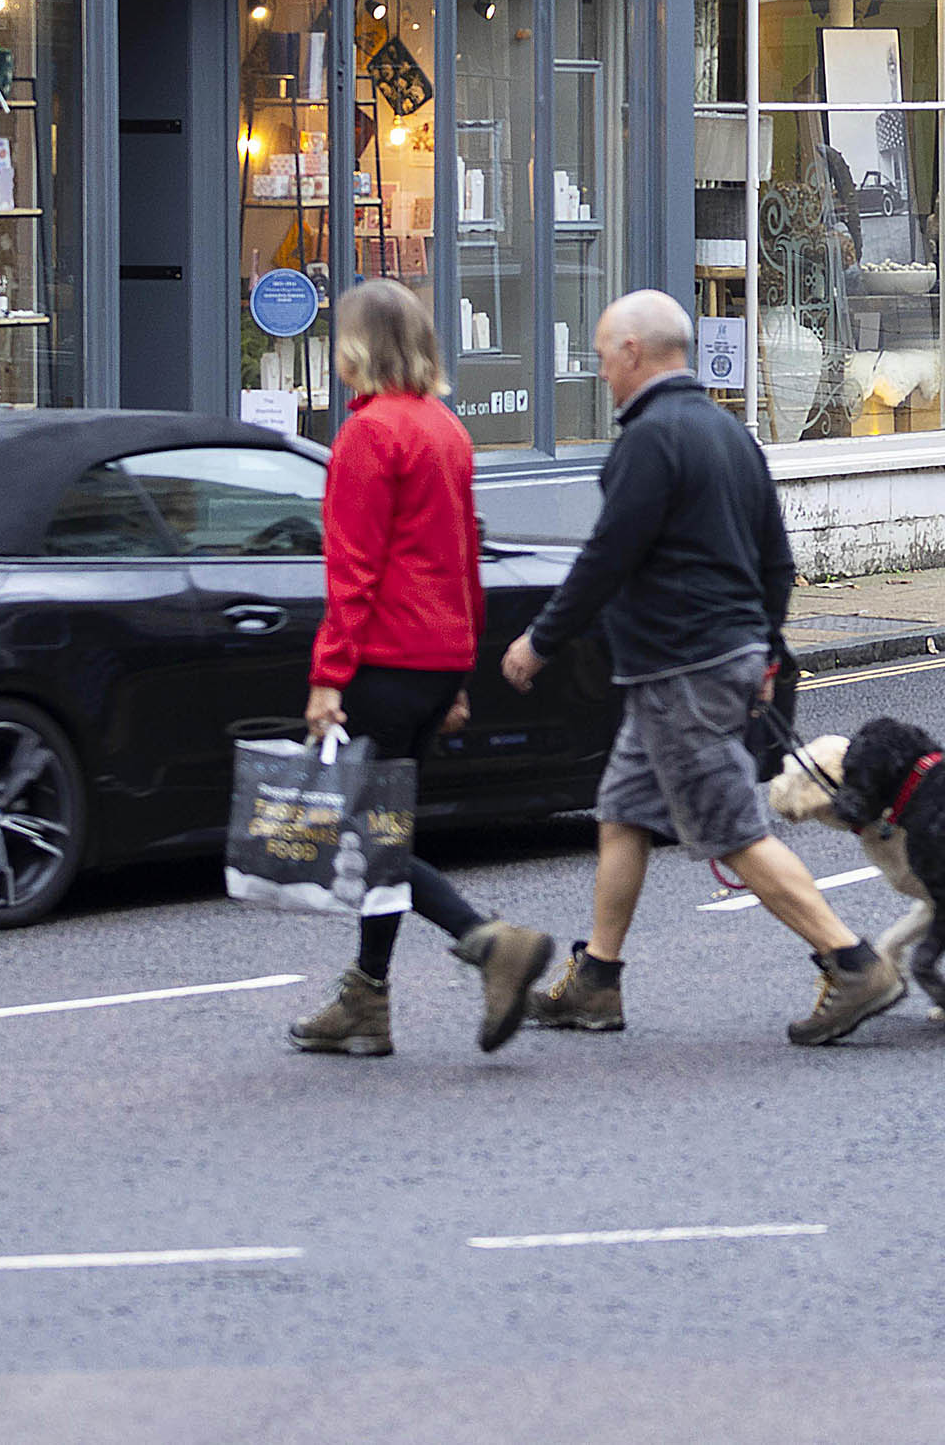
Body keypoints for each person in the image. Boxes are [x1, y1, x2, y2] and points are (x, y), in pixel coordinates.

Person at [502, 289, 905, 1046]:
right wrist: (763, 646)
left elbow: (607, 557)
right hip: (711, 659)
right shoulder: (729, 433)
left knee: (731, 829)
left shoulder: (649, 440)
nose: (600, 370)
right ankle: (597, 979)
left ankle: (852, 961)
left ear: (632, 353)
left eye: (600, 356)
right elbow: (776, 562)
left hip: (678, 668)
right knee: (622, 809)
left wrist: (540, 640)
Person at [284, 279, 558, 1061]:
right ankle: (366, 999)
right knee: (385, 827)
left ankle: (484, 938)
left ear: (359, 346)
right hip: (435, 658)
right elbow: (463, 560)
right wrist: (459, 677)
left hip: (383, 660)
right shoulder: (446, 429)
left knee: (373, 834)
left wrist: (328, 677)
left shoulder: (369, 435)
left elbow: (354, 569)